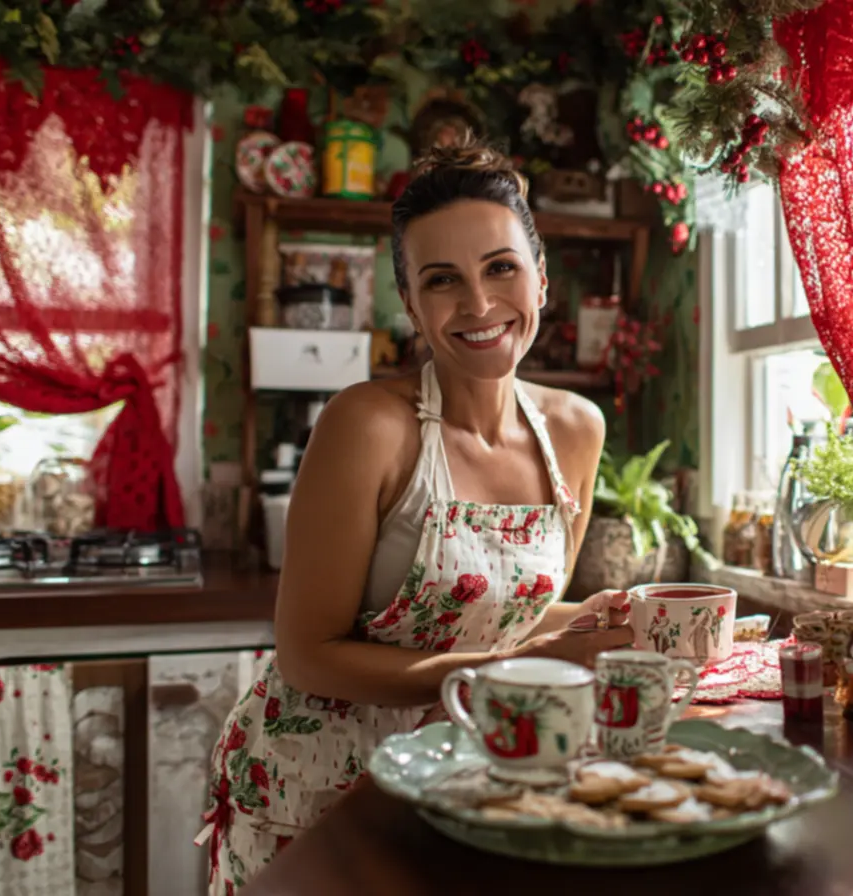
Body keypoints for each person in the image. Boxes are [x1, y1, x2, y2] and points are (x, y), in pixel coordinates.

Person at [198, 138, 634, 894]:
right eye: (442, 281)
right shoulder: (368, 425)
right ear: (410, 303)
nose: (478, 304)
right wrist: (493, 676)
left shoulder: (575, 431)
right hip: (322, 792)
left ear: (542, 279)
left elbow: (495, 616)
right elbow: (308, 654)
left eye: (501, 268)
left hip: (470, 777)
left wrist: (589, 617)